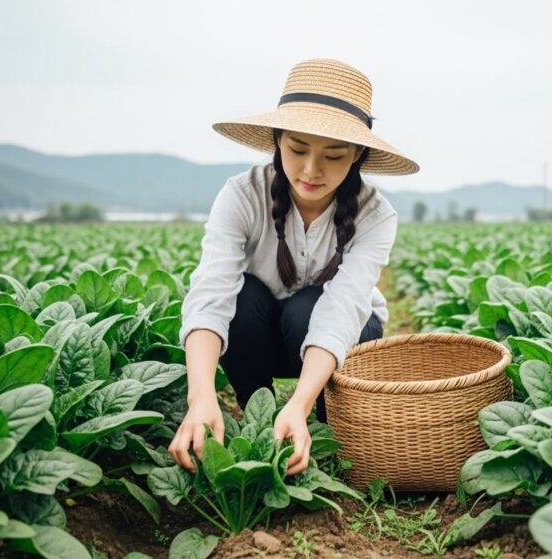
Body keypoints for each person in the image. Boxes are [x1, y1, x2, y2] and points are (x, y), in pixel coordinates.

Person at [168, 58, 419, 477]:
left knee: (309, 307)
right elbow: (210, 296)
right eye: (297, 149)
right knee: (242, 298)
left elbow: (341, 311)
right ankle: (261, 420)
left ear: (356, 155)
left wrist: (300, 403)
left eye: (333, 156)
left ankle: (322, 424)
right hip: (261, 337)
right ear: (277, 139)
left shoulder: (376, 215)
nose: (310, 170)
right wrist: (201, 398)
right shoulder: (242, 196)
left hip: (340, 343)